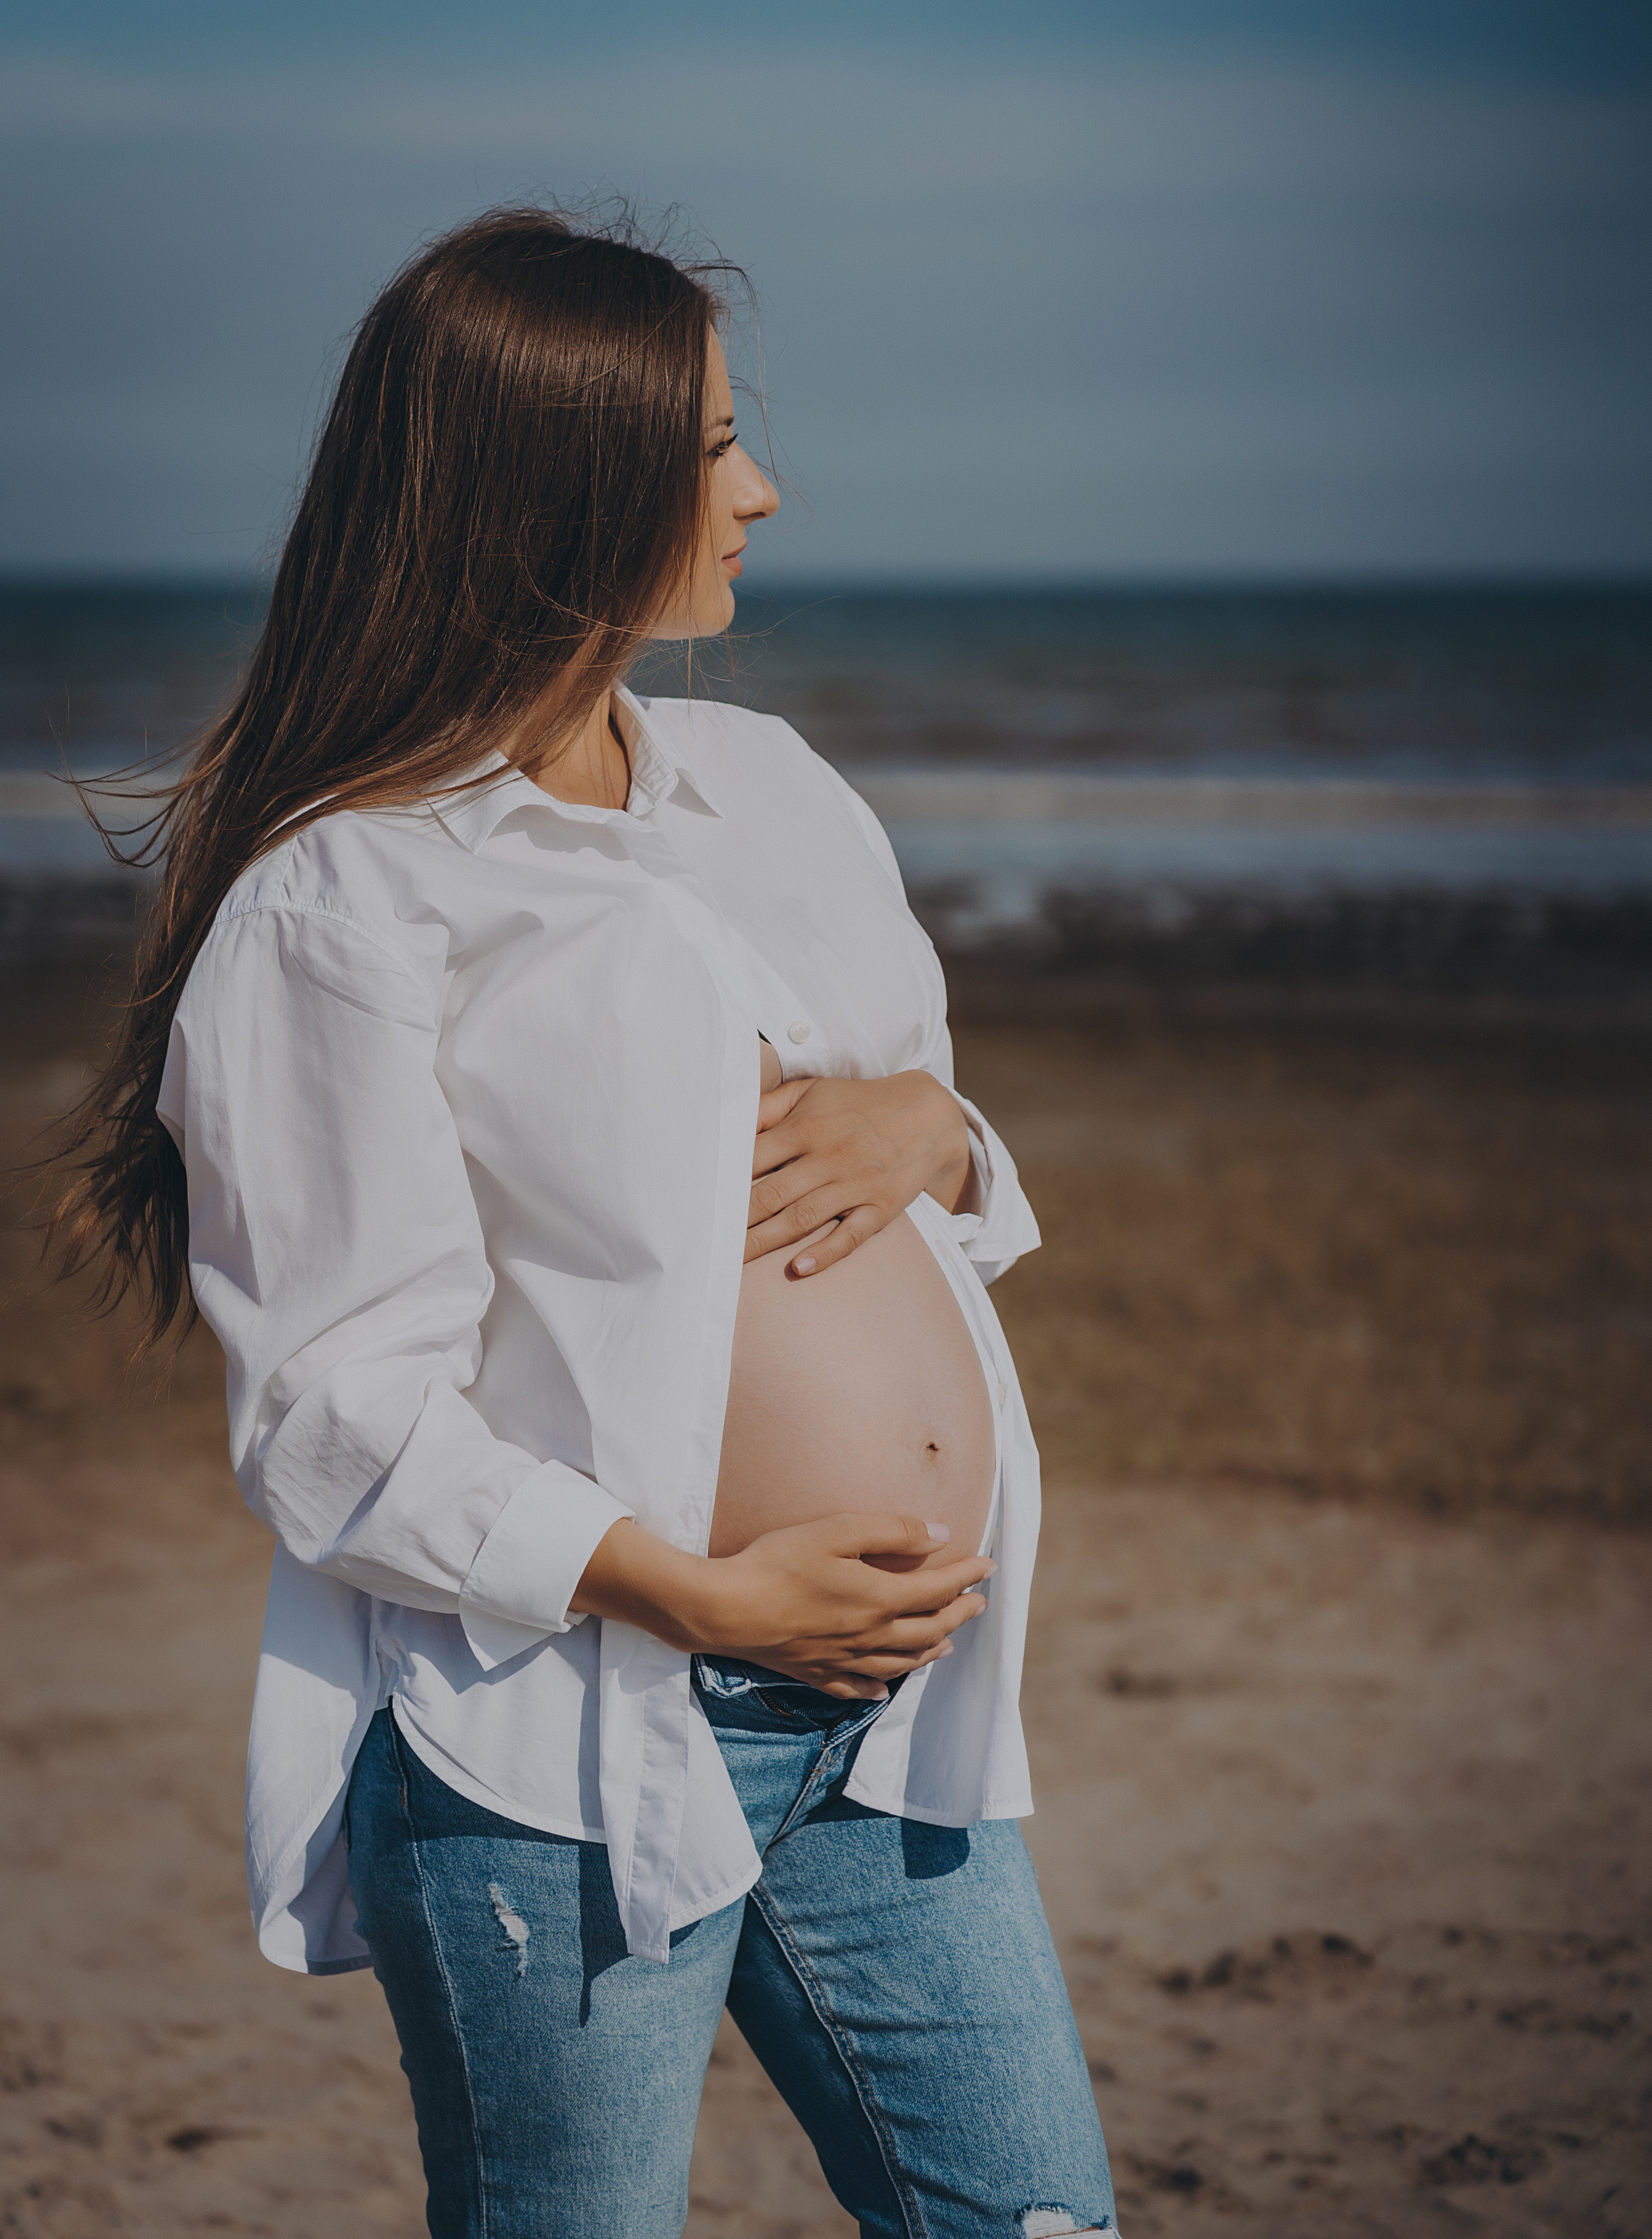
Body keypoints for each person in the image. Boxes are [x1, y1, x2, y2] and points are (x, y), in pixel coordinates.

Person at [54, 208, 1116, 2236]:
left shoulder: (772, 787)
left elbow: (925, 1186)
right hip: (580, 1740)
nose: (766, 490)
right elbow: (338, 1419)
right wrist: (704, 1596)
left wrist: (943, 1129)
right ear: (564, 486)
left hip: (894, 1718)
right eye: (715, 449)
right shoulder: (344, 906)